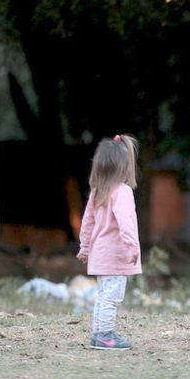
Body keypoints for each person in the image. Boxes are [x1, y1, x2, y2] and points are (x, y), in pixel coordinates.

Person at [77, 134, 142, 350]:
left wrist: (84, 247)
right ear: (124, 166)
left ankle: (99, 333)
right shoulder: (122, 192)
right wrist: (132, 247)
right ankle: (104, 335)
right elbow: (126, 222)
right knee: (111, 297)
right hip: (115, 254)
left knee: (103, 295)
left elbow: (87, 222)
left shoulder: (98, 191)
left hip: (99, 254)